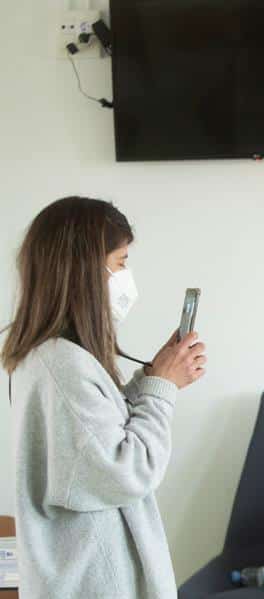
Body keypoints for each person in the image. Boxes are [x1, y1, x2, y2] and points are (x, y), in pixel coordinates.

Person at [1, 197, 207, 599]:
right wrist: (162, 390)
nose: (126, 276)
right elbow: (125, 470)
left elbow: (91, 441)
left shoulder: (55, 358)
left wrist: (151, 378)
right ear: (83, 271)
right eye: (121, 262)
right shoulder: (62, 365)